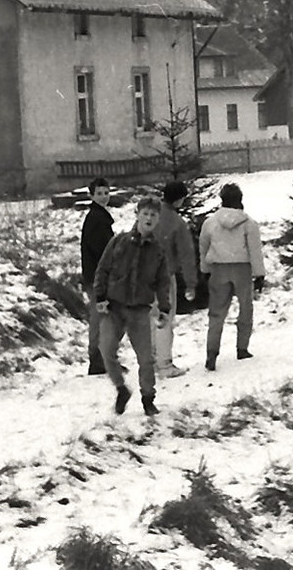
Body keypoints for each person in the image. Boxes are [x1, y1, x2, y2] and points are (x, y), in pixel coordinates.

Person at [92, 197, 173, 416]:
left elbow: (163, 282)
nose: (149, 218)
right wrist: (100, 297)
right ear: (137, 215)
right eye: (145, 213)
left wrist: (164, 308)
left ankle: (148, 398)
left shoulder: (157, 251)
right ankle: (121, 389)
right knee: (106, 350)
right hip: (114, 308)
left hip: (139, 311)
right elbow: (103, 269)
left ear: (157, 220)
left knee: (145, 359)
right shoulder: (119, 241)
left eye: (153, 215)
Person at [199, 183, 266, 371]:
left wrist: (205, 269)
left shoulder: (210, 223)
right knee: (246, 307)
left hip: (218, 269)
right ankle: (242, 348)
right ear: (240, 200)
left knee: (217, 313)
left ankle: (211, 354)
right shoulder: (249, 223)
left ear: (222, 199)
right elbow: (255, 250)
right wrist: (259, 274)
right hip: (242, 268)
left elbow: (203, 248)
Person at [151, 182, 199, 378]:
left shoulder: (149, 215)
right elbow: (186, 255)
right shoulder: (176, 223)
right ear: (179, 199)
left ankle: (151, 359)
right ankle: (165, 364)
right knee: (164, 319)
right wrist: (191, 283)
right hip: (163, 276)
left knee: (150, 318)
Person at [78, 178, 115, 376]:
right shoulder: (97, 219)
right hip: (97, 277)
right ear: (91, 195)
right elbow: (103, 250)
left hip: (97, 275)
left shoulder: (99, 216)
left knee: (103, 317)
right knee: (100, 318)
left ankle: (103, 359)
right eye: (99, 193)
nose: (103, 197)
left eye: (106, 193)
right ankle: (97, 360)